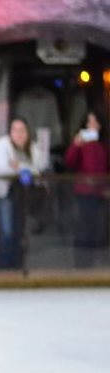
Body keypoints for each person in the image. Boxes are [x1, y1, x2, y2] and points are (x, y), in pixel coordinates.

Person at [0, 118, 49, 269]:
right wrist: (27, 168)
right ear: (10, 133)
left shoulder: (33, 148)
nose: (19, 134)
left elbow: (41, 167)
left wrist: (20, 166)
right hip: (6, 193)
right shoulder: (2, 144)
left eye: (22, 130)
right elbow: (3, 168)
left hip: (24, 194)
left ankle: (17, 266)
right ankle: (3, 267)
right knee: (7, 231)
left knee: (19, 231)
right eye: (15, 130)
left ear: (27, 133)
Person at [64, 111, 109, 268]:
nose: (92, 125)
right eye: (89, 122)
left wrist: (106, 187)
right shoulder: (81, 143)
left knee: (99, 229)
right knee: (84, 228)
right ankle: (82, 264)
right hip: (84, 192)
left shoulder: (104, 145)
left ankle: (97, 263)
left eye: (95, 122)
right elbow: (69, 162)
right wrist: (76, 145)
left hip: (101, 193)